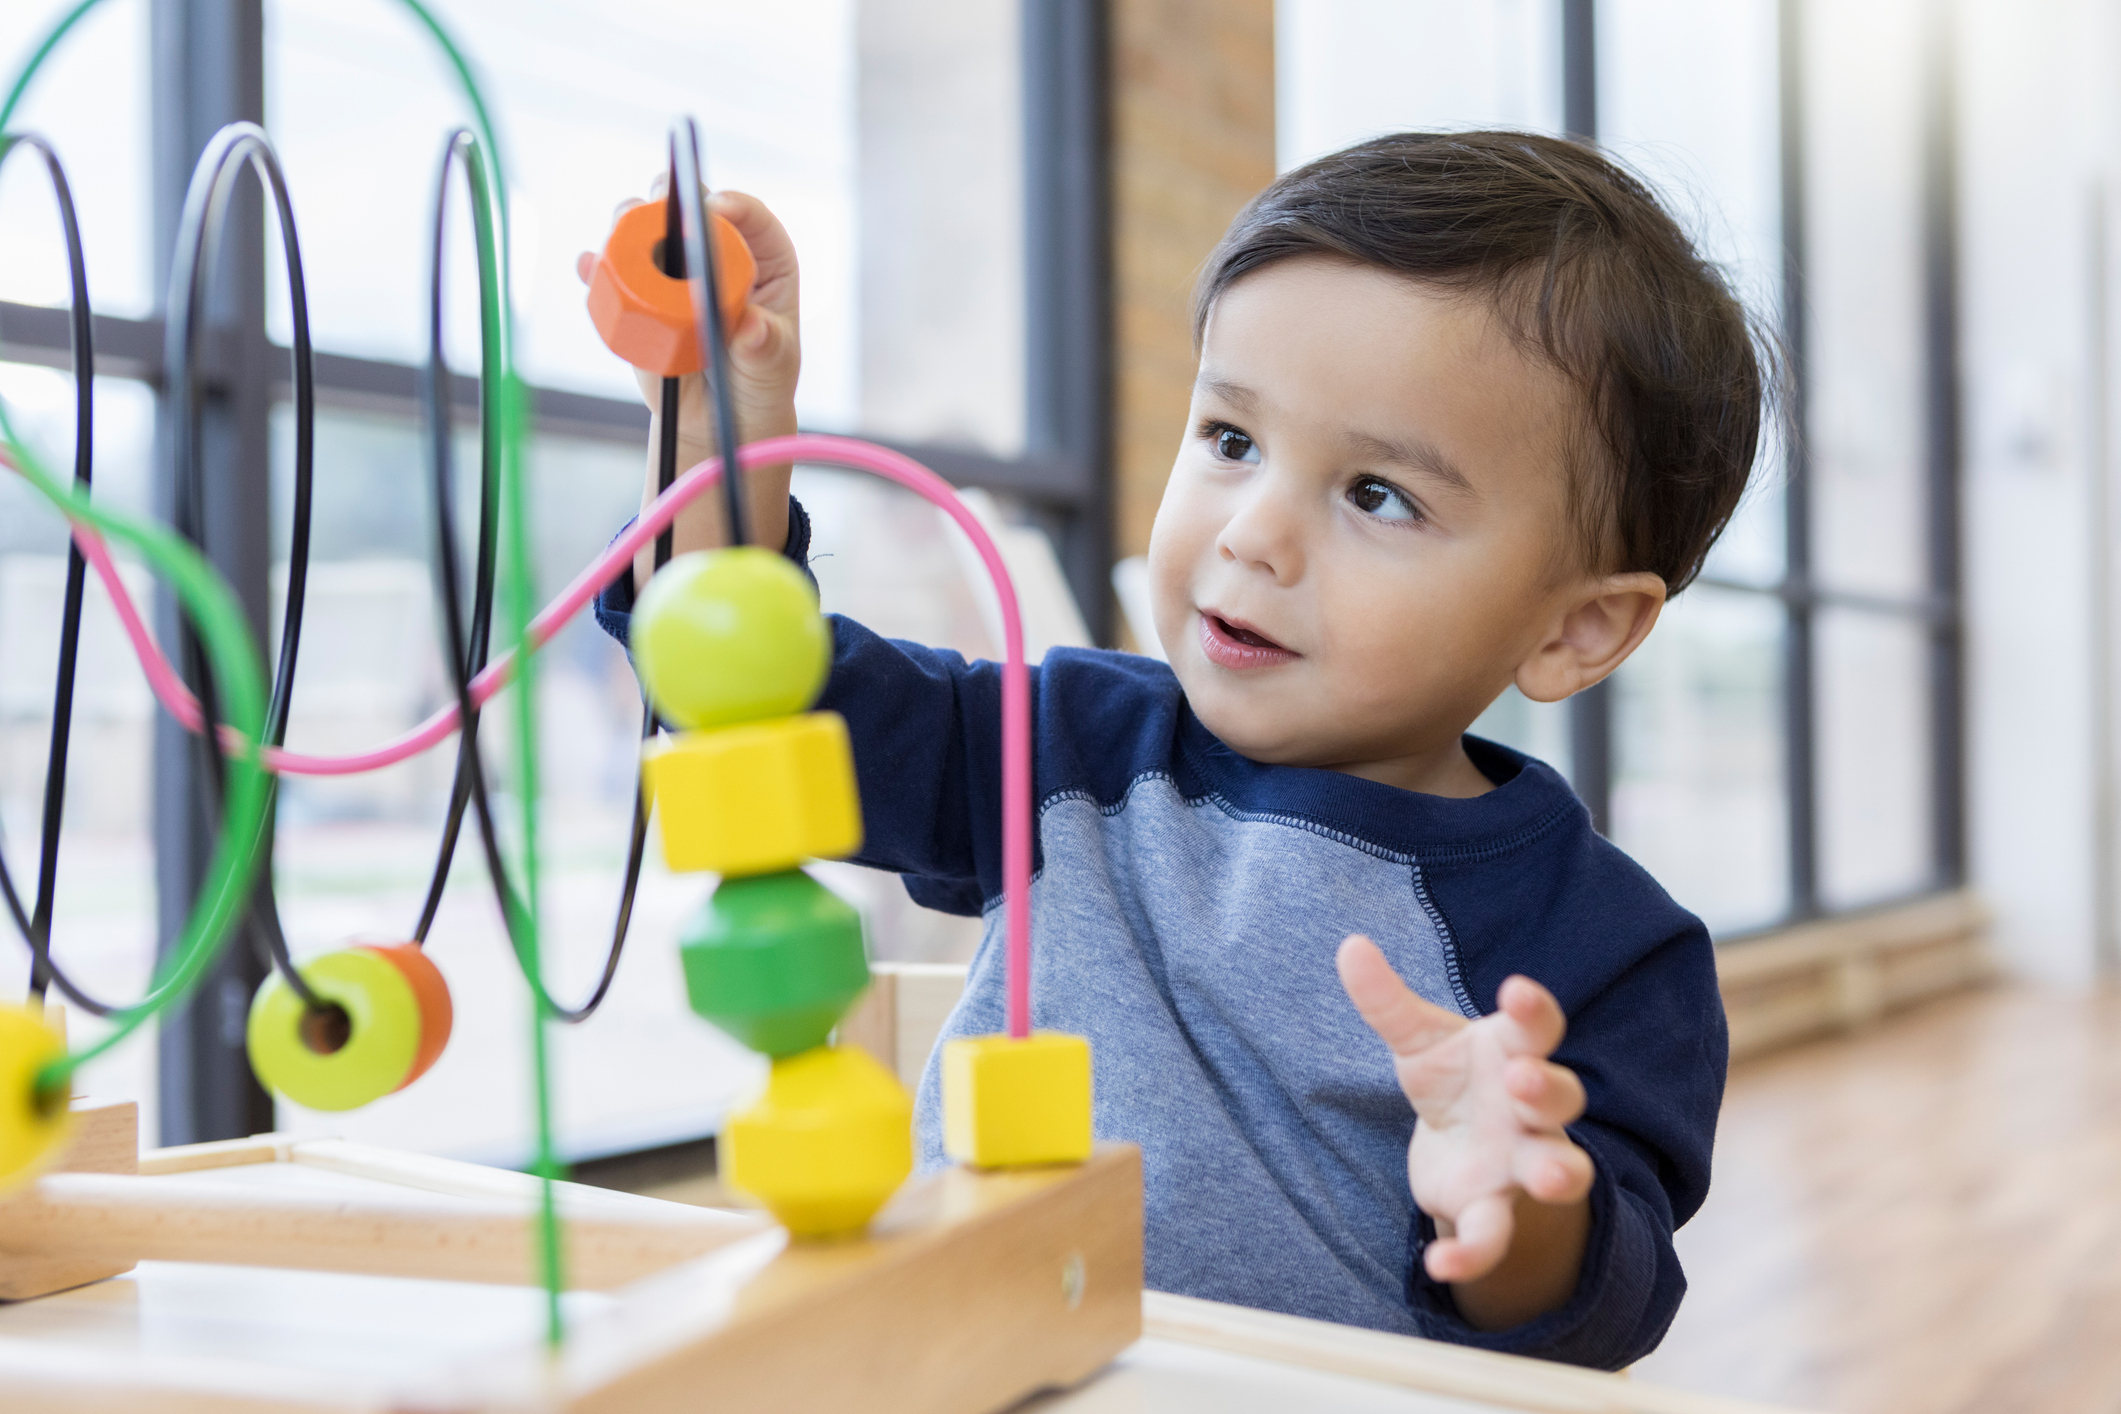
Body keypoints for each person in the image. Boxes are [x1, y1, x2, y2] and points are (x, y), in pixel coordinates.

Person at [589, 130, 1762, 1371]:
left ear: (1579, 625)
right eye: (1231, 440)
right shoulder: (1072, 750)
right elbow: (744, 698)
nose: (1254, 534)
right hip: (970, 1372)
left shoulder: (1607, 946)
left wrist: (1520, 1203)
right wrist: (723, 419)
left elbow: (1608, 1312)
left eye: (1377, 495)